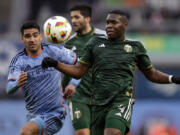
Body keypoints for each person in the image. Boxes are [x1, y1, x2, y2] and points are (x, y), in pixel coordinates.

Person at [41, 10, 180, 135]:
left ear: (124, 25)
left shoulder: (135, 47)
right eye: (107, 22)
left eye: (114, 22)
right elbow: (78, 71)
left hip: (121, 101)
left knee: (112, 132)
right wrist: (56, 64)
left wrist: (172, 78)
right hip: (98, 103)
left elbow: (152, 74)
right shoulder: (94, 43)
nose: (109, 26)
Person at [6, 21, 77, 135]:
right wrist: (16, 83)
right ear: (22, 39)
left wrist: (73, 84)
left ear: (40, 36)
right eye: (28, 36)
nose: (32, 39)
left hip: (55, 113)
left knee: (26, 131)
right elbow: (9, 88)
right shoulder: (19, 61)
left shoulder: (53, 51)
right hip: (33, 115)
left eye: (35, 35)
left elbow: (80, 65)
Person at [61, 4, 106, 135]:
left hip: (101, 97)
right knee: (82, 133)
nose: (73, 21)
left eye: (77, 17)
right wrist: (62, 90)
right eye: (71, 18)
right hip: (78, 96)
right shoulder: (69, 43)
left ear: (87, 19)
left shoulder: (104, 39)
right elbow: (67, 71)